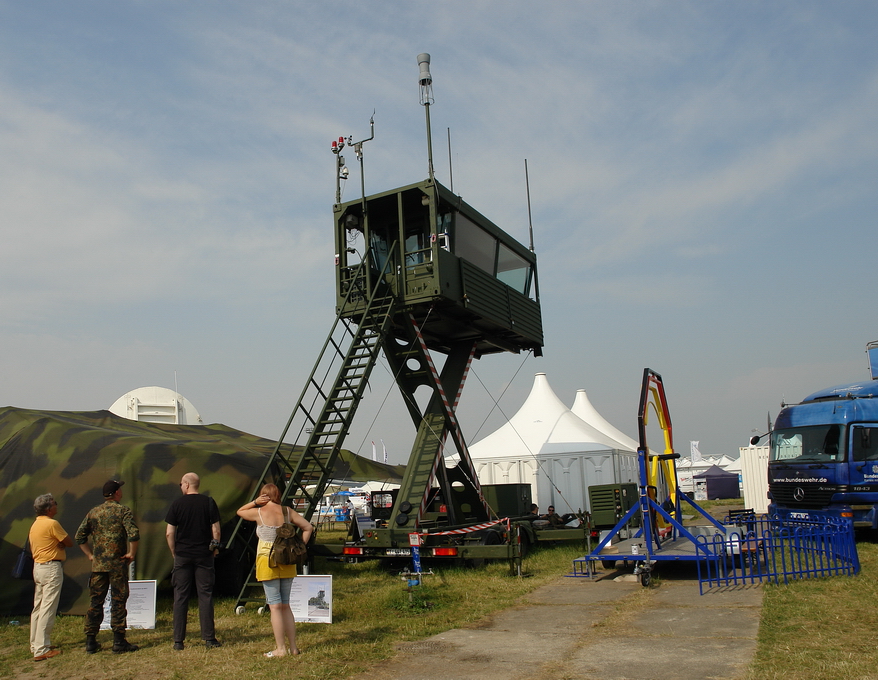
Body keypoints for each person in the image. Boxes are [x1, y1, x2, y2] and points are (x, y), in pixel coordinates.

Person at [237, 483, 313, 658]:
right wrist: (300, 546)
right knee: (286, 605)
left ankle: (280, 649)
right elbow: (308, 527)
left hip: (267, 560)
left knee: (275, 606)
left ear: (263, 496)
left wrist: (255, 502)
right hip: (287, 560)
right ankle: (293, 647)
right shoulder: (287, 512)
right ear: (278, 495)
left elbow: (240, 511)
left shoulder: (258, 512)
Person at [75, 479, 140, 654]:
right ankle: (118, 641)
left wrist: (90, 555)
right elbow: (133, 534)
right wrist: (131, 553)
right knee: (118, 601)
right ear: (117, 493)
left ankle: (90, 641)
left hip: (98, 566)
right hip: (117, 565)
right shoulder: (123, 511)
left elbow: (79, 536)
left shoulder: (94, 512)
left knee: (96, 601)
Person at [165, 472, 222, 651]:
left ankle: (178, 641)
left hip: (183, 555)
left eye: (181, 484)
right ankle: (209, 638)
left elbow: (169, 532)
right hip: (204, 555)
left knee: (180, 596)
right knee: (205, 595)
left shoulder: (177, 504)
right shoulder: (209, 502)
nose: (180, 487)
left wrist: (174, 552)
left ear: (187, 485)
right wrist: (214, 548)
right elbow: (216, 530)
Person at [29, 493, 74, 662]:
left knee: (38, 607)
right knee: (48, 608)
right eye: (54, 503)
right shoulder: (52, 523)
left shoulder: (35, 524)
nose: (56, 505)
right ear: (48, 509)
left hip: (38, 567)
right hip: (51, 568)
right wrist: (60, 543)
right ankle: (42, 648)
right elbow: (68, 542)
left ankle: (35, 644)